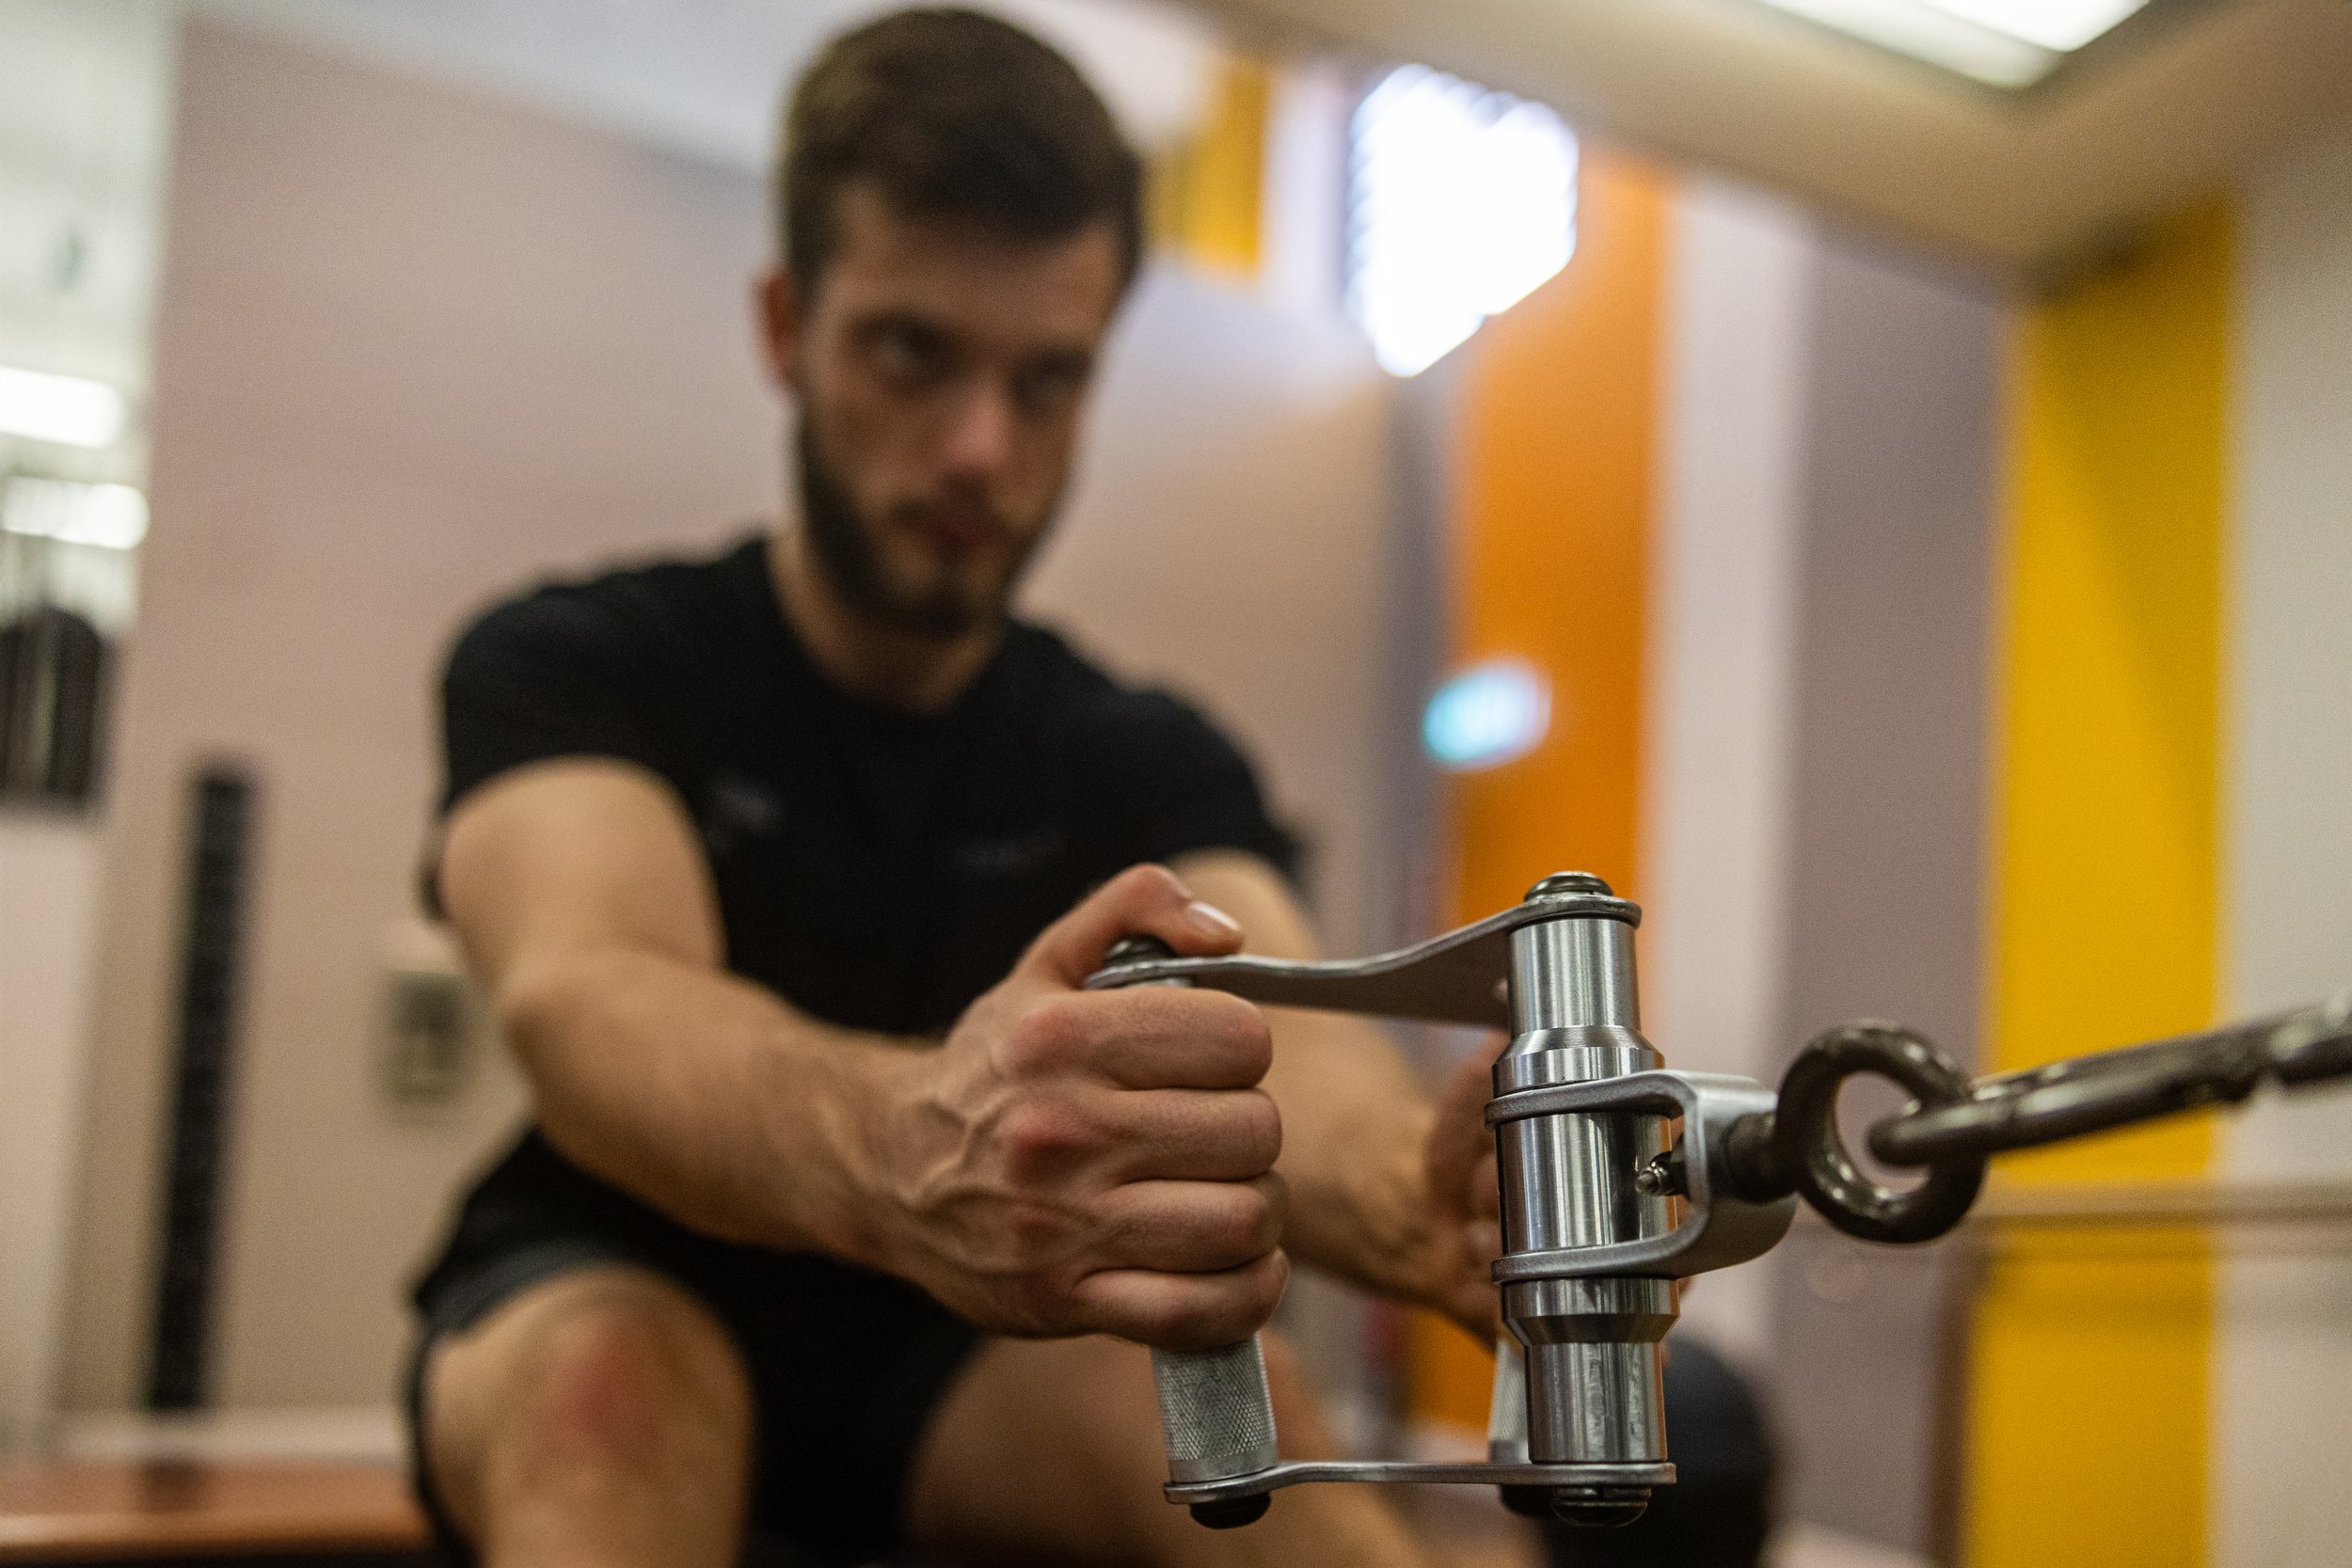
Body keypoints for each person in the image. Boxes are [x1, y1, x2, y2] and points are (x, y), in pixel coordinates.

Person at [407, 11, 1499, 1566]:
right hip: (609, 1278)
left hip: (972, 1352)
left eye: (1047, 381)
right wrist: (916, 1136)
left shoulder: (1142, 753)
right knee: (605, 1397)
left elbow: (1285, 1055)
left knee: (1237, 1432)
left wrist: (1413, 1195)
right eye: (915, 354)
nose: (982, 449)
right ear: (789, 325)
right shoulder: (581, 660)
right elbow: (592, 994)